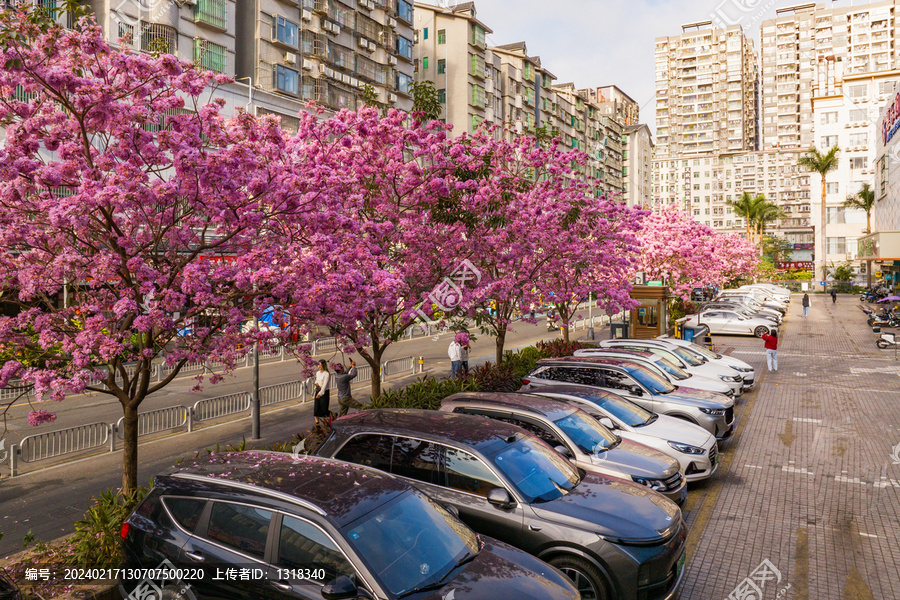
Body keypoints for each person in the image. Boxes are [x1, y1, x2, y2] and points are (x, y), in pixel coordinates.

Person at [313, 360, 331, 425]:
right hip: (318, 390)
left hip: (324, 392)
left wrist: (320, 394)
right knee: (316, 408)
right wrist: (316, 383)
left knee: (324, 410)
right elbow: (317, 380)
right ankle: (317, 424)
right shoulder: (318, 373)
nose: (319, 366)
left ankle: (334, 416)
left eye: (320, 365)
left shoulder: (326, 374)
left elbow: (324, 385)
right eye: (318, 365)